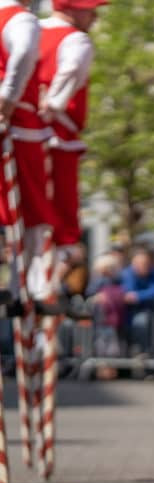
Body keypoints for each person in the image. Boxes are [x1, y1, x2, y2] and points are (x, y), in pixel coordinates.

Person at [0, 0, 59, 312]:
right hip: (19, 128)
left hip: (17, 125)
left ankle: (21, 286)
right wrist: (8, 97)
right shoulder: (21, 19)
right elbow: (22, 53)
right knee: (31, 209)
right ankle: (28, 286)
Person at [37, 0, 105, 268]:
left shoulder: (33, 29)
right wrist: (52, 105)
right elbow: (70, 72)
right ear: (69, 9)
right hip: (56, 129)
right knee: (61, 212)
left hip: (29, 128)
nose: (95, 17)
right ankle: (51, 274)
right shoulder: (76, 39)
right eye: (89, 10)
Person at [120, 247, 154, 356]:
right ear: (133, 263)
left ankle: (149, 353)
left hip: (151, 311)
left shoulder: (153, 273)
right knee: (140, 321)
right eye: (140, 263)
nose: (144, 266)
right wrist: (142, 296)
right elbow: (129, 293)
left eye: (146, 263)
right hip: (128, 314)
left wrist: (139, 296)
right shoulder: (127, 274)